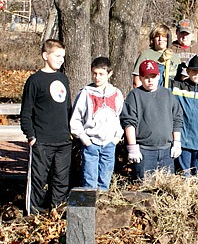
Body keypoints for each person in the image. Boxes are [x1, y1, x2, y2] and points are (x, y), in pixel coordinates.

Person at [20, 39, 71, 214]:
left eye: (63, 56)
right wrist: (31, 136)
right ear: (45, 55)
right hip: (42, 141)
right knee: (38, 180)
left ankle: (58, 212)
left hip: (63, 142)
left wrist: (70, 133)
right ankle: (35, 215)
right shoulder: (34, 81)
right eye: (57, 56)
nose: (61, 59)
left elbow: (67, 108)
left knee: (61, 180)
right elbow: (26, 112)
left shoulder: (63, 79)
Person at [121, 60, 183, 180]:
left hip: (167, 150)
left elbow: (177, 119)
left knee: (165, 190)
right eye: (146, 77)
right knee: (144, 188)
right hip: (144, 151)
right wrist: (132, 147)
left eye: (153, 77)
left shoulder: (168, 95)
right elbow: (129, 122)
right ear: (140, 78)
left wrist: (177, 142)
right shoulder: (134, 96)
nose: (150, 80)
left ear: (159, 76)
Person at [70, 57, 124, 190]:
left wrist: (116, 138)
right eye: (94, 73)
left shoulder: (116, 94)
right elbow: (75, 119)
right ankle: (89, 210)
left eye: (101, 74)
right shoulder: (85, 93)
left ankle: (101, 208)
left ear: (109, 74)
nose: (97, 77)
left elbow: (120, 117)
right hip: (91, 143)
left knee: (105, 180)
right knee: (89, 181)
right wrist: (85, 139)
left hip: (109, 144)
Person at [132, 24, 174, 88]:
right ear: (153, 39)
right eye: (157, 36)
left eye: (163, 36)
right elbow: (137, 82)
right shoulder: (146, 55)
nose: (160, 39)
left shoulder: (175, 57)